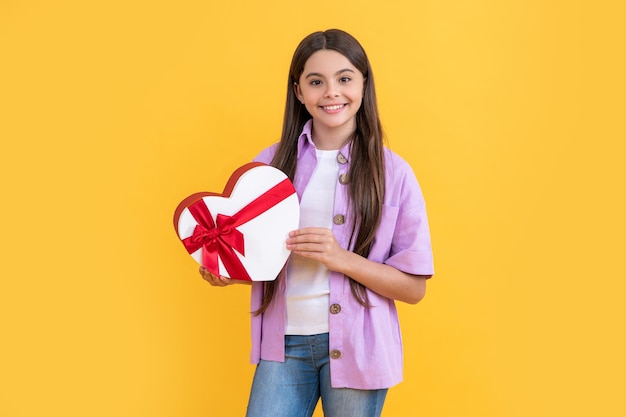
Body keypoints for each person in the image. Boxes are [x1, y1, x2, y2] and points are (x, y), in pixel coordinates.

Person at [199, 29, 434, 417]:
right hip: (284, 345)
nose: (331, 92)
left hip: (359, 348)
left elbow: (413, 288)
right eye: (315, 81)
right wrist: (229, 271)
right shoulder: (270, 165)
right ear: (298, 91)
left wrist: (340, 258)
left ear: (363, 84)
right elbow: (263, 258)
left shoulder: (394, 173)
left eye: (344, 79)